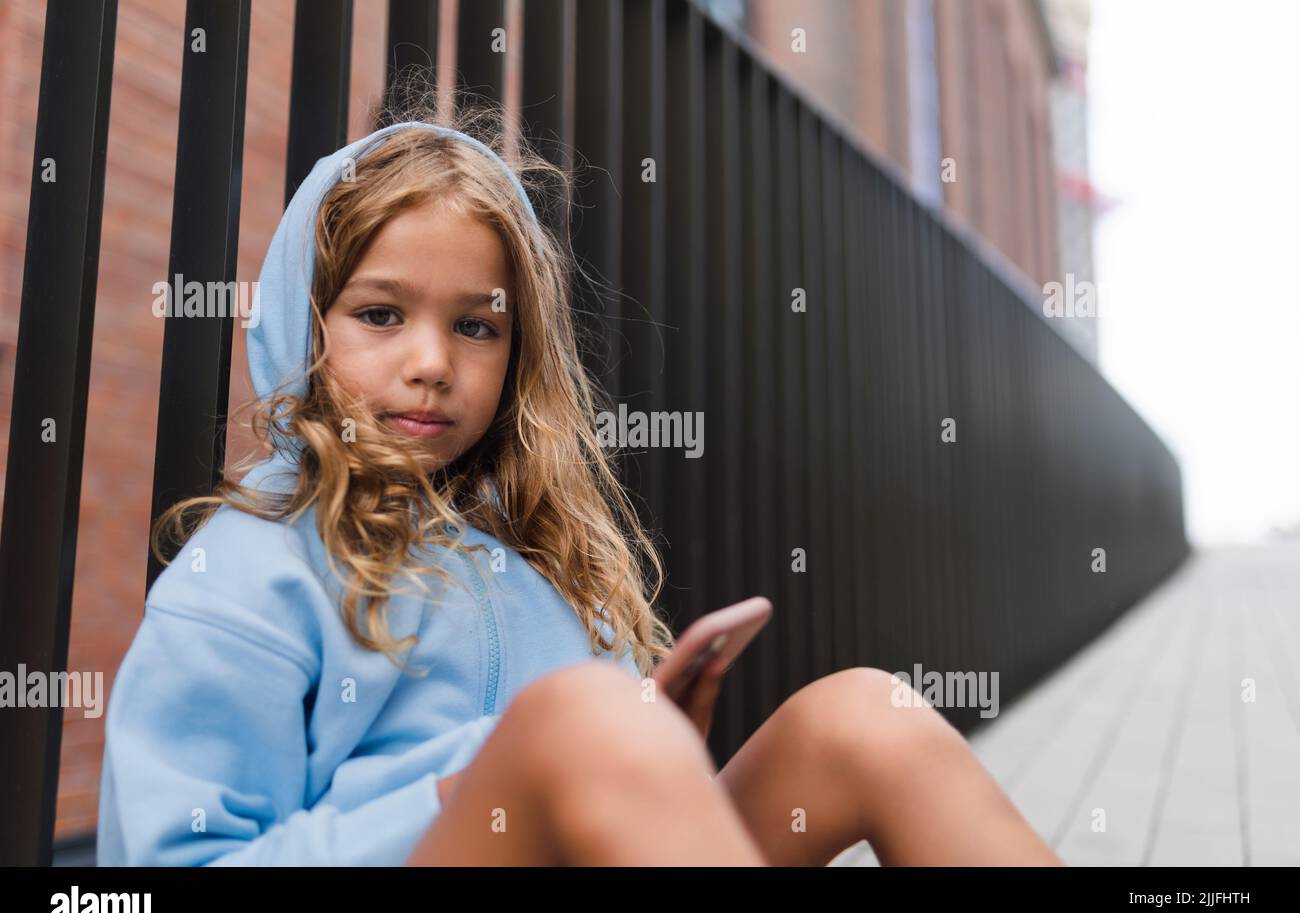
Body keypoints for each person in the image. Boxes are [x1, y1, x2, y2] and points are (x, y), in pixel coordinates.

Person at [97, 100, 1062, 867]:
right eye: (381, 314)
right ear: (303, 326)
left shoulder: (541, 560)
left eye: (477, 325)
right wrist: (487, 784)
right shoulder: (252, 573)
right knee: (578, 722)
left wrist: (647, 754)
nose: (432, 361)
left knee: (862, 718)